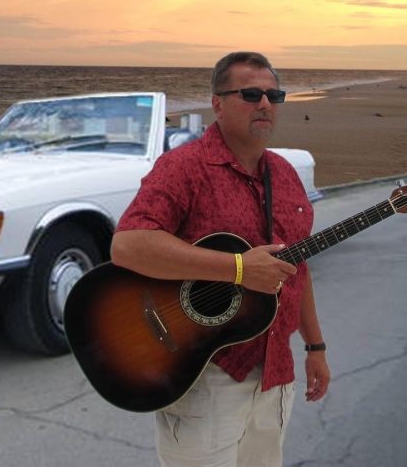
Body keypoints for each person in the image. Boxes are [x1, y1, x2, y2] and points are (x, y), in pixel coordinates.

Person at [111, 51, 330, 467]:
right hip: (205, 376)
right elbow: (128, 245)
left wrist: (315, 346)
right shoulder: (184, 168)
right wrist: (239, 269)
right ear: (217, 104)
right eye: (250, 94)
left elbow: (295, 270)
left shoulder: (285, 175)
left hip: (275, 373)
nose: (264, 104)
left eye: (273, 96)